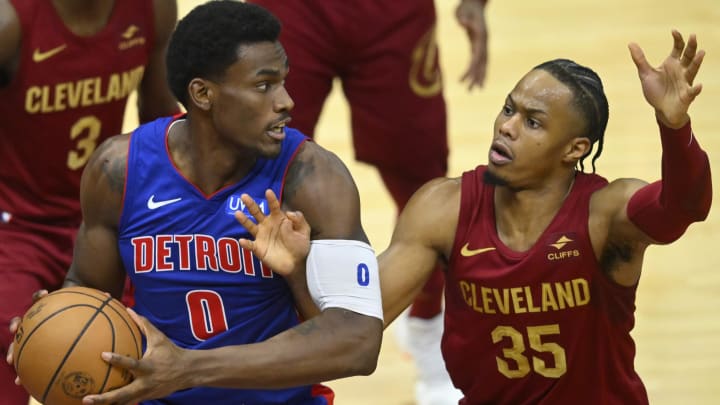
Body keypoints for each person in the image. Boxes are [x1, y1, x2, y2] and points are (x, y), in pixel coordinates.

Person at [237, 30, 712, 404]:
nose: (506, 125)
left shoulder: (605, 214)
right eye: (509, 108)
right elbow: (354, 327)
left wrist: (676, 128)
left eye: (532, 121)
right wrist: (302, 272)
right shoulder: (443, 209)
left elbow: (683, 207)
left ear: (575, 149)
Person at [8, 1, 384, 404]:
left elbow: (358, 341)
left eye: (283, 82)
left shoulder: (312, 178)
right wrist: (53, 326)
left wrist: (295, 277)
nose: (286, 101)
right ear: (202, 93)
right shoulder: (119, 171)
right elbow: (89, 288)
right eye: (264, 85)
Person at [245, 0, 489, 402]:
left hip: (392, 13)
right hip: (292, 10)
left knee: (422, 182)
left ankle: (428, 325)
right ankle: (269, 337)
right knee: (268, 174)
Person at [0, 0, 181, 403]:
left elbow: (161, 119)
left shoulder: (153, 10)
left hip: (103, 214)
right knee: (9, 341)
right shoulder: (10, 22)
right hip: (14, 222)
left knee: (124, 352)